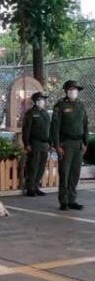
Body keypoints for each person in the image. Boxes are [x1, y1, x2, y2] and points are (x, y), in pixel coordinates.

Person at [51, 79, 87, 210]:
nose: (74, 92)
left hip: (78, 144)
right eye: (72, 89)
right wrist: (57, 145)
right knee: (65, 173)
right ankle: (64, 201)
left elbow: (85, 125)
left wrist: (85, 142)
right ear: (66, 91)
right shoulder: (60, 106)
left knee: (75, 173)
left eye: (76, 89)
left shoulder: (80, 105)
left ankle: (72, 199)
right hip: (66, 144)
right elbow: (55, 127)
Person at [21, 91, 51, 197]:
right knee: (33, 166)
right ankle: (30, 188)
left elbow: (49, 129)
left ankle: (36, 186)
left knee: (41, 166)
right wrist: (26, 144)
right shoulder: (31, 113)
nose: (41, 101)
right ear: (34, 101)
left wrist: (50, 143)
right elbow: (26, 130)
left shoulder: (45, 113)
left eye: (42, 99)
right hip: (35, 143)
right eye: (39, 99)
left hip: (44, 144)